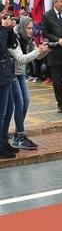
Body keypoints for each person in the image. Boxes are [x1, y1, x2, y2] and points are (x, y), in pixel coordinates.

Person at [9, 17, 49, 150]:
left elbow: (36, 55)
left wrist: (44, 51)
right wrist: (38, 51)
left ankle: (17, 134)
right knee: (19, 103)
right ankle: (21, 135)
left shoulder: (27, 39)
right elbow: (21, 59)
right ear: (22, 27)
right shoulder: (14, 37)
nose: (31, 31)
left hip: (20, 73)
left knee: (26, 102)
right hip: (11, 73)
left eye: (32, 28)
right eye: (28, 28)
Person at [0, 16, 15, 158]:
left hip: (6, 72)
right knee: (1, 113)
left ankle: (4, 141)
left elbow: (11, 44)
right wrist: (4, 29)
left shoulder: (3, 29)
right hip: (1, 74)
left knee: (9, 109)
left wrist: (10, 30)